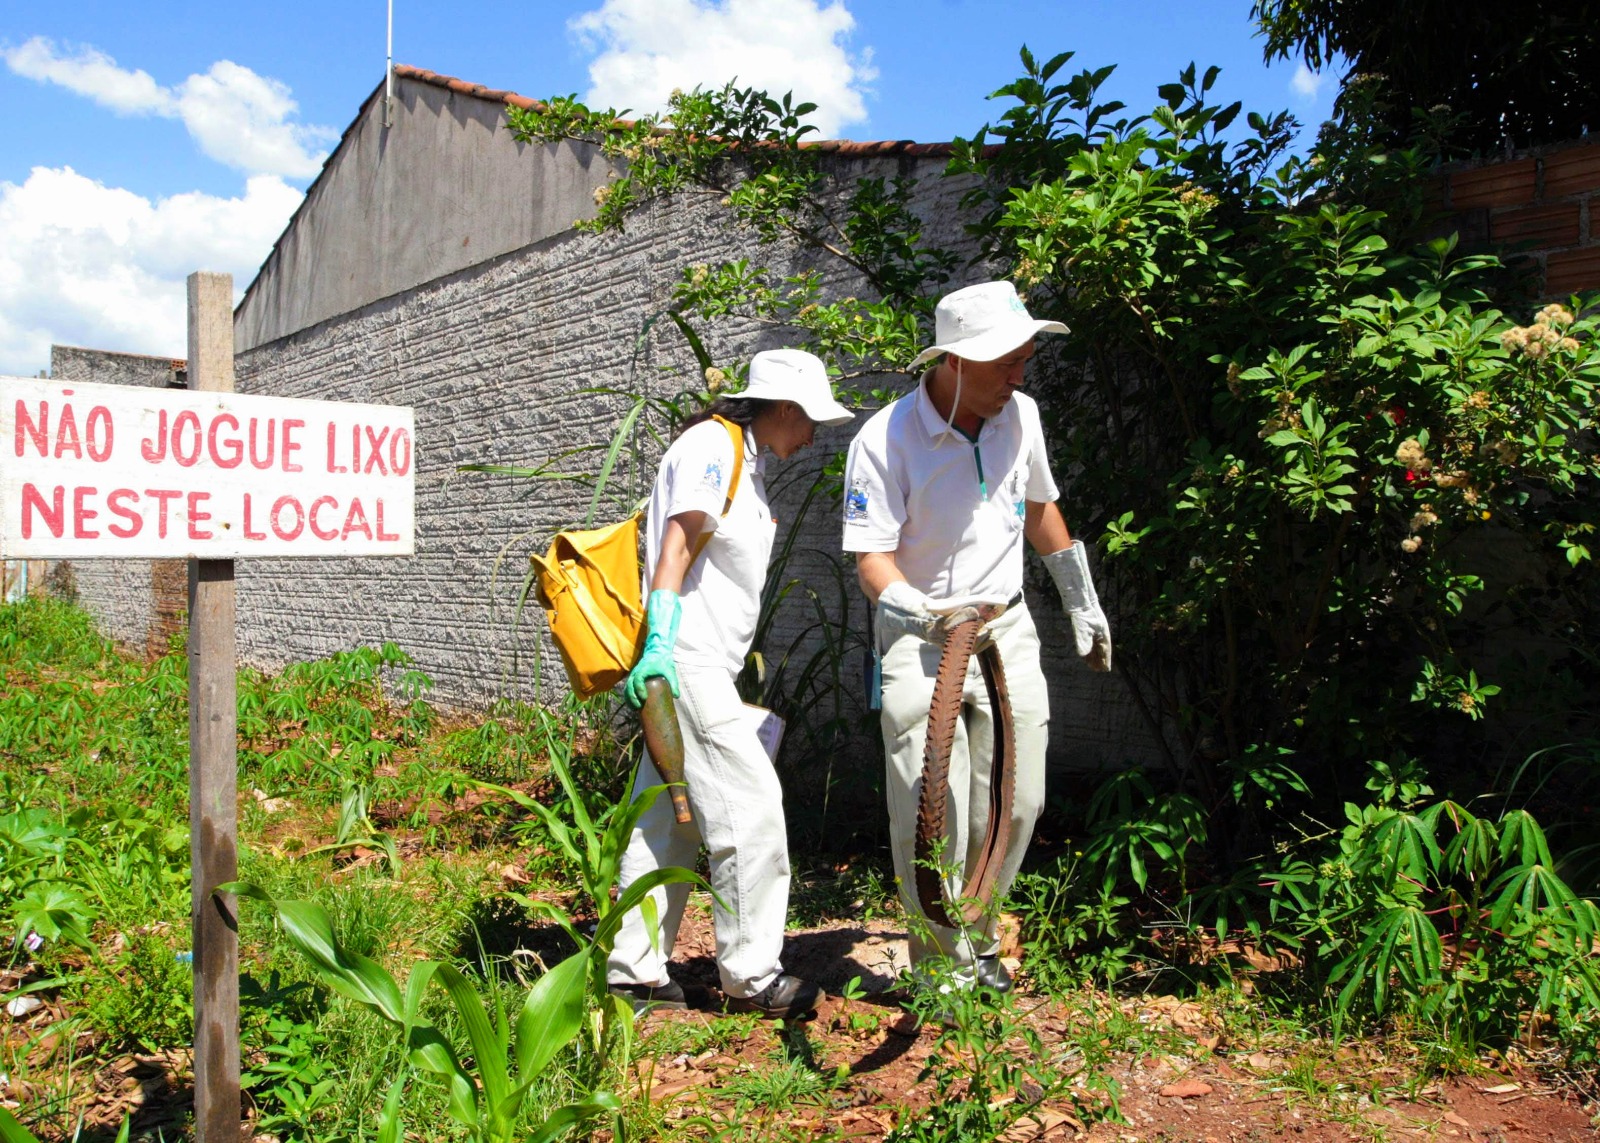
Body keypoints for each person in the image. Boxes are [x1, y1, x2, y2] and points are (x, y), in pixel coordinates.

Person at [841, 280, 1112, 994]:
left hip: (1004, 624)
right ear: (955, 362)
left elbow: (1040, 507)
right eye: (1005, 364)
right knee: (932, 806)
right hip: (918, 631)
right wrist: (912, 606)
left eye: (1024, 360)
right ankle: (941, 967)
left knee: (1019, 800)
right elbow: (872, 558)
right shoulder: (885, 438)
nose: (1019, 377)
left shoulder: (1020, 415)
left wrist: (1080, 596)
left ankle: (981, 940)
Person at [607, 348, 853, 1019]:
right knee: (751, 808)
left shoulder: (744, 458)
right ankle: (752, 976)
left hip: (699, 659)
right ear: (781, 406)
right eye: (810, 418)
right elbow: (675, 548)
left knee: (667, 822)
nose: (812, 433)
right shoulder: (712, 447)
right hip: (684, 659)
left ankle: (633, 971)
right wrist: (659, 643)